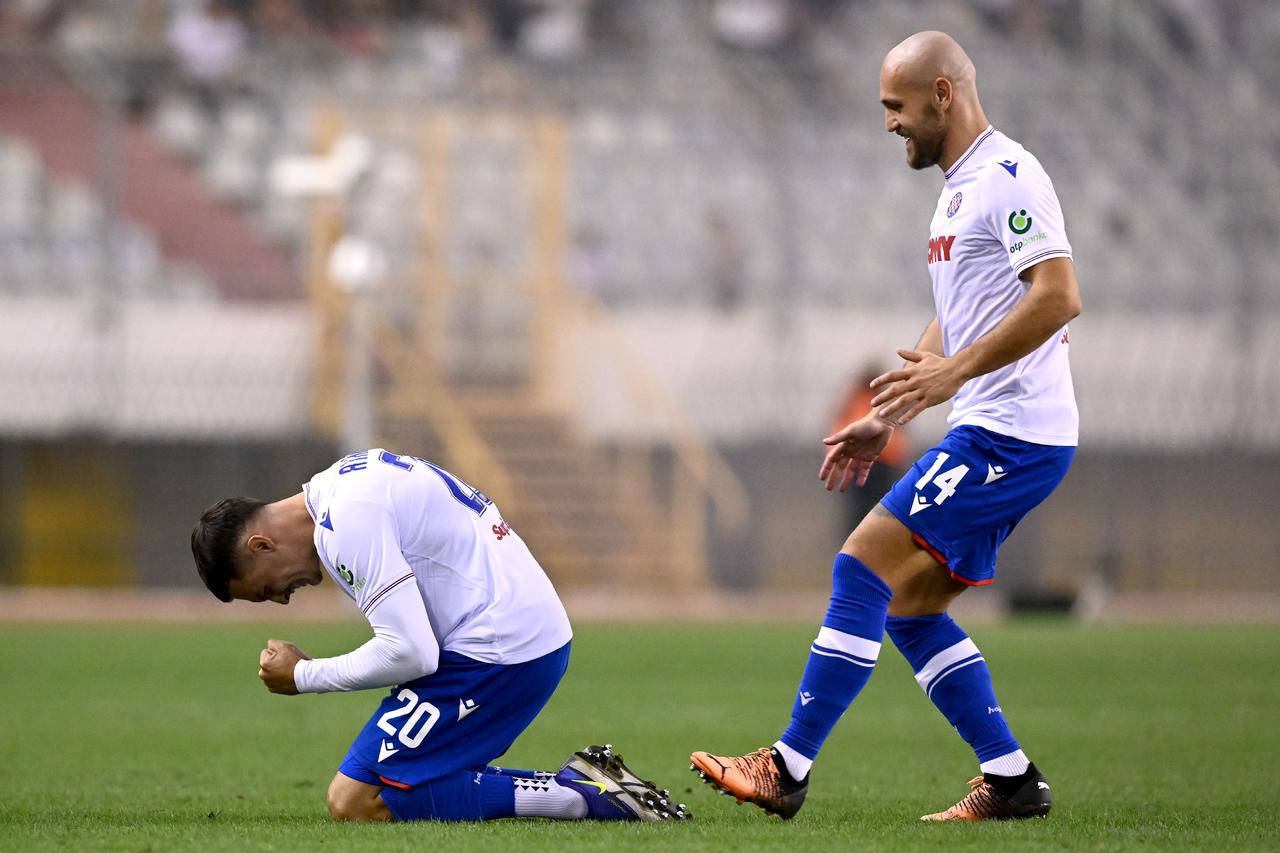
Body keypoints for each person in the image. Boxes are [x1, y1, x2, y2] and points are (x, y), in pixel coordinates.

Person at [691, 30, 1081, 822]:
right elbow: (959, 309)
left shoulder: (1009, 176)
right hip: (992, 424)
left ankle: (785, 767)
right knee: (909, 609)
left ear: (942, 94)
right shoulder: (957, 190)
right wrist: (892, 408)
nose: (889, 124)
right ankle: (1010, 780)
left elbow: (1057, 295)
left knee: (862, 566)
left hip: (1013, 431)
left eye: (895, 107)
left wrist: (954, 373)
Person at [191, 448, 689, 824]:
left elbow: (410, 651)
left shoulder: (344, 524)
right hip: (516, 634)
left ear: (261, 545)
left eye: (263, 590)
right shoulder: (341, 481)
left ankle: (582, 798)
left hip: (498, 650)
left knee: (358, 801)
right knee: (410, 783)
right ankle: (587, 785)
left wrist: (303, 675)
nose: (281, 600)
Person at [828, 363, 913, 534]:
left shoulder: (853, 401)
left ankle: (856, 547)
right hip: (879, 463)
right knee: (878, 511)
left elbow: (838, 430)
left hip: (866, 464)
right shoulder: (881, 400)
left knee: (861, 512)